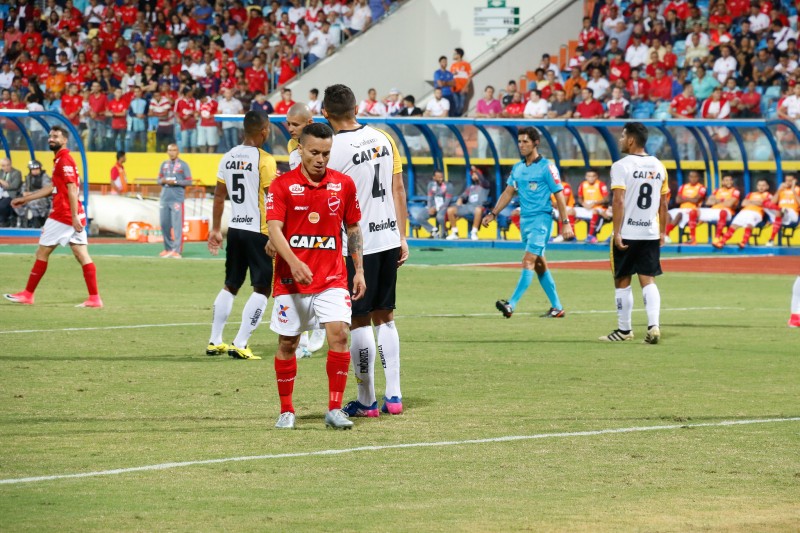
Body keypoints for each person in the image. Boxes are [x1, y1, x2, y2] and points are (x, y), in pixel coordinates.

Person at [267, 122, 365, 430]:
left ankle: (334, 409)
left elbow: (353, 228)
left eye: (326, 153)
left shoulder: (343, 184)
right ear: (300, 150)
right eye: (314, 153)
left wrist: (359, 270)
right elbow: (273, 229)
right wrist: (293, 261)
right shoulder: (282, 185)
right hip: (290, 281)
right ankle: (286, 410)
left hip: (332, 278)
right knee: (288, 343)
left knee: (340, 335)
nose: (320, 159)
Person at [323, 83, 409, 417]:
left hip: (357, 245)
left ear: (326, 113)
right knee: (386, 316)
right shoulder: (384, 138)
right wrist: (402, 236)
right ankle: (395, 396)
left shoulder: (333, 149)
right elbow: (397, 188)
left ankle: (367, 400)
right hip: (388, 238)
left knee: (359, 320)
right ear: (357, 108)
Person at [4, 126, 102, 308]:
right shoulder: (59, 160)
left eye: (55, 136)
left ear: (64, 140)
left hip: (63, 215)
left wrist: (73, 216)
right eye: (50, 136)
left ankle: (28, 294)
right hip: (73, 214)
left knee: (42, 253)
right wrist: (26, 199)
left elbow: (72, 188)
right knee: (82, 254)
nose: (51, 139)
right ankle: (94, 298)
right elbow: (53, 187)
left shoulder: (64, 160)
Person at [206, 111, 277, 360]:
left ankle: (215, 340)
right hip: (259, 232)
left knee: (231, 284)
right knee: (262, 288)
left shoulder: (228, 157)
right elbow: (272, 199)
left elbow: (218, 197)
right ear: (264, 131)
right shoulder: (265, 160)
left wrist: (216, 229)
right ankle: (240, 342)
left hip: (235, 230)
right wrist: (276, 234)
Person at [483, 127, 574, 319]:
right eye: (519, 141)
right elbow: (508, 192)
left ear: (536, 143)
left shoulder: (547, 167)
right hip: (525, 221)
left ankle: (511, 304)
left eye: (525, 141)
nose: (521, 145)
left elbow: (559, 195)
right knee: (539, 264)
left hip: (541, 220)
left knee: (528, 260)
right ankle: (557, 307)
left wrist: (565, 222)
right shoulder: (518, 168)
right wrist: (493, 213)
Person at [600, 122, 669, 344]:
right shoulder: (659, 166)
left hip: (628, 232)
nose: (620, 140)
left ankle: (624, 330)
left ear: (631, 140)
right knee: (648, 279)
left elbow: (618, 200)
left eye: (622, 136)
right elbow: (664, 203)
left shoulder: (621, 166)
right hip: (650, 232)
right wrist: (662, 232)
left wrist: (617, 232)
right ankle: (654, 326)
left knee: (622, 280)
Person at [284, 101, 327, 359]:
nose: (290, 128)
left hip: (322, 221)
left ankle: (320, 327)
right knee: (300, 280)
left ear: (309, 124)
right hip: (300, 222)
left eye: (295, 124)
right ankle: (304, 337)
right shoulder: (293, 147)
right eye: (288, 124)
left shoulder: (323, 145)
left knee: (320, 278)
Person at [713, 178, 772, 250]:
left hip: (756, 212)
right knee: (733, 226)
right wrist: (757, 202)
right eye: (759, 185)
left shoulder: (768, 195)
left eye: (763, 185)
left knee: (749, 225)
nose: (761, 187)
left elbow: (764, 204)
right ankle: (722, 242)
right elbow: (743, 203)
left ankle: (743, 242)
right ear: (757, 186)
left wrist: (751, 202)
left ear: (767, 187)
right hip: (744, 211)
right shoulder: (751, 194)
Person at [157, 144, 193, 258]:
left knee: (177, 226)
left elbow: (189, 181)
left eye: (174, 150)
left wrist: (176, 182)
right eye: (170, 150)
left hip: (177, 199)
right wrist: (163, 181)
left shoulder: (183, 165)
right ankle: (167, 248)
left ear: (178, 152)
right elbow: (158, 179)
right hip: (164, 198)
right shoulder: (164, 164)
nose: (172, 152)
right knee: (164, 224)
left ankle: (177, 250)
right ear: (167, 152)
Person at [446, 166, 489, 241]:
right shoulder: (471, 187)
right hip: (468, 206)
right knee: (450, 210)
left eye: (475, 174)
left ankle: (474, 232)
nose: (473, 176)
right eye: (472, 175)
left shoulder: (485, 185)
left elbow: (482, 179)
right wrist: (460, 199)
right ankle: (454, 232)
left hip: (479, 207)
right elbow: (463, 196)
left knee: (478, 210)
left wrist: (476, 170)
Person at [664, 170, 706, 244]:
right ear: (688, 177)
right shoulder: (683, 187)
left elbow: (696, 200)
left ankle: (666, 233)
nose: (693, 179)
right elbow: (677, 200)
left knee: (679, 215)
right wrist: (691, 198)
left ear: (698, 178)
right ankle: (666, 235)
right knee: (668, 214)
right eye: (691, 177)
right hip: (681, 208)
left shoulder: (701, 188)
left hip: (692, 210)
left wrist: (684, 198)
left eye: (695, 177)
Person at [698, 174, 741, 242]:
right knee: (694, 211)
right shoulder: (717, 190)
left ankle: (717, 238)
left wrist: (716, 201)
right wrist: (724, 200)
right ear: (722, 182)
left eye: (730, 180)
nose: (729, 182)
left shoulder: (735, 191)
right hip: (713, 211)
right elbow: (708, 202)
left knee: (722, 213)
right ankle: (693, 239)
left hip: (727, 212)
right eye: (726, 180)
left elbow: (729, 204)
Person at [574, 169, 611, 244]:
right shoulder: (582, 185)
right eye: (589, 176)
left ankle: (590, 236)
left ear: (597, 177)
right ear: (585, 177)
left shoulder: (601, 185)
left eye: (593, 176)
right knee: (570, 211)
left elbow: (606, 199)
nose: (591, 178)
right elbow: (580, 198)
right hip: (586, 207)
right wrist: (584, 204)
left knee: (595, 211)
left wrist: (594, 203)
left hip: (598, 208)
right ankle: (571, 236)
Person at [413, 170, 453, 238]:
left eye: (442, 177)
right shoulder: (431, 185)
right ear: (434, 177)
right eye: (439, 177)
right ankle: (433, 230)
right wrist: (430, 208)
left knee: (440, 217)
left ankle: (444, 232)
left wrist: (436, 208)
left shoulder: (448, 186)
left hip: (443, 207)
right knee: (419, 217)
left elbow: (447, 202)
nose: (441, 179)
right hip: (433, 207)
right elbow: (430, 198)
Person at [13, 160, 52, 228]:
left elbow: (46, 190)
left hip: (43, 198)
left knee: (33, 203)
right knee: (17, 203)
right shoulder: (28, 177)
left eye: (37, 169)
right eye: (33, 169)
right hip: (30, 197)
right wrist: (24, 193)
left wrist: (31, 193)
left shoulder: (44, 177)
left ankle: (37, 223)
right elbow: (24, 187)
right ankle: (24, 222)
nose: (35, 171)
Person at [766, 174, 800, 246]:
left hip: (792, 215)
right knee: (766, 205)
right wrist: (778, 190)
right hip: (781, 214)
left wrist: (793, 191)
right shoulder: (782, 190)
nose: (788, 182)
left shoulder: (798, 189)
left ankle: (771, 238)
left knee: (782, 210)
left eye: (790, 181)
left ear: (795, 181)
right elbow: (772, 203)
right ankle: (771, 239)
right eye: (786, 180)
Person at [0, 158, 23, 226]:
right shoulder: (0, 172)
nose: (6, 167)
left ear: (11, 164)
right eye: (3, 166)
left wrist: (2, 182)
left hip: (11, 194)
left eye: (8, 165)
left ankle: (4, 221)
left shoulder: (17, 173)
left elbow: (14, 186)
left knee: (2, 205)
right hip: (1, 194)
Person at [450, 47, 472, 116]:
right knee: (456, 105)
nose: (453, 55)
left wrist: (465, 87)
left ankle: (457, 118)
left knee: (461, 106)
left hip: (463, 89)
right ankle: (455, 119)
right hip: (454, 89)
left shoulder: (466, 64)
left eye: (455, 54)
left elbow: (469, 77)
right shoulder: (453, 65)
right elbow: (451, 77)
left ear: (459, 55)